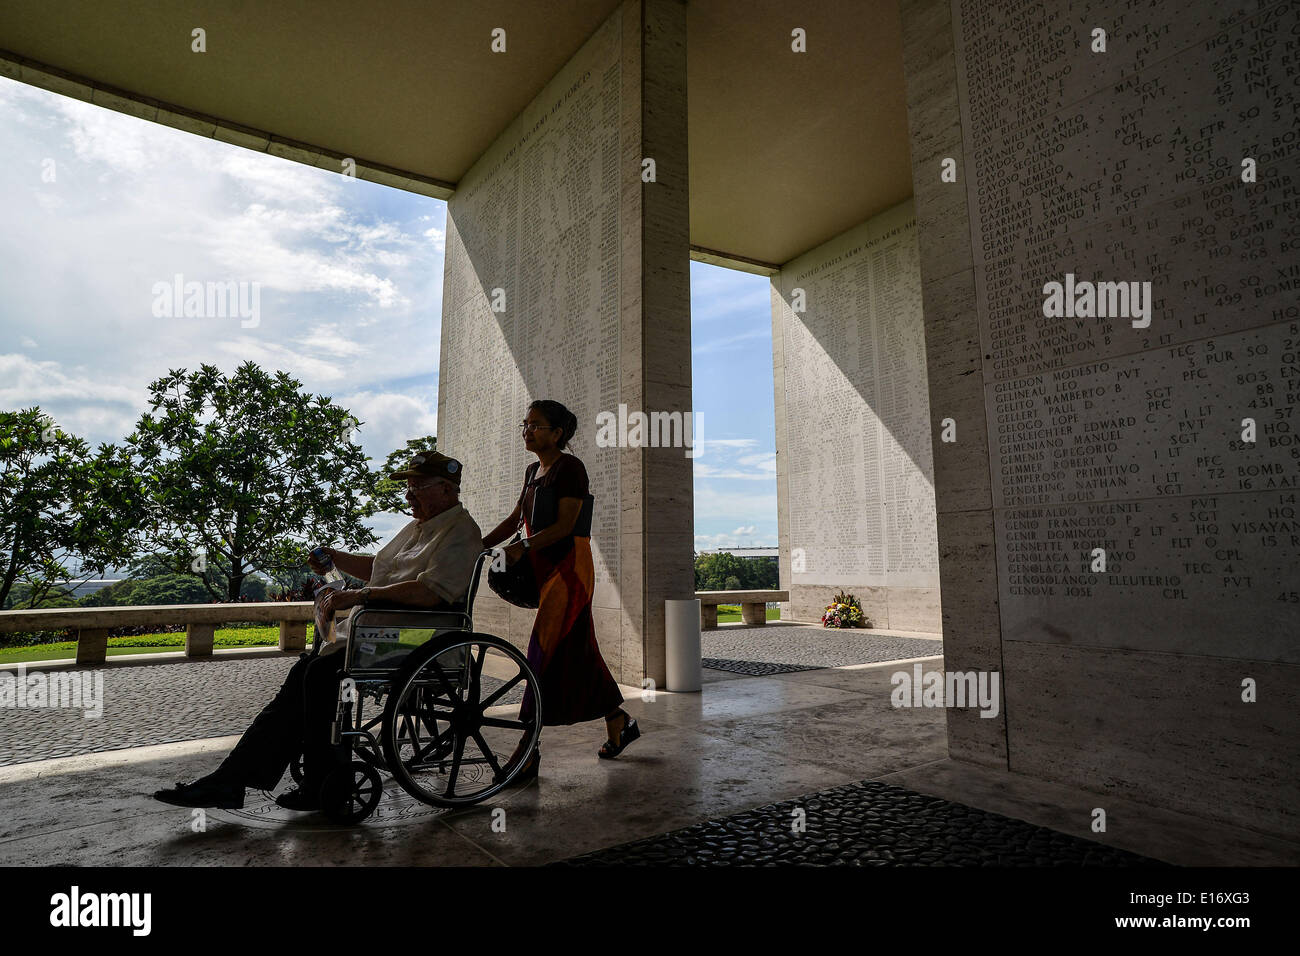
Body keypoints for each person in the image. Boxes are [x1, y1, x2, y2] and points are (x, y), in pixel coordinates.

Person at [153, 451, 482, 811]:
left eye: (417, 487)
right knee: (306, 673)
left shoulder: (461, 531)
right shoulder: (417, 528)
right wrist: (336, 557)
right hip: (378, 632)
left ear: (447, 490)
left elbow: (431, 591)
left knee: (320, 675)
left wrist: (362, 594)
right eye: (408, 487)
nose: (408, 496)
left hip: (419, 635)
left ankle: (317, 778)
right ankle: (237, 778)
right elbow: (380, 567)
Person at [482, 400, 636, 779]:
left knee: (541, 652)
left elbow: (567, 526)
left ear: (558, 433)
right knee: (578, 652)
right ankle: (619, 721)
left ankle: (527, 750)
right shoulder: (533, 470)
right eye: (525, 424)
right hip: (544, 568)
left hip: (569, 568)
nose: (527, 430)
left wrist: (523, 546)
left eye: (535, 425)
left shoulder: (571, 468)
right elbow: (516, 518)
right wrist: (480, 544)